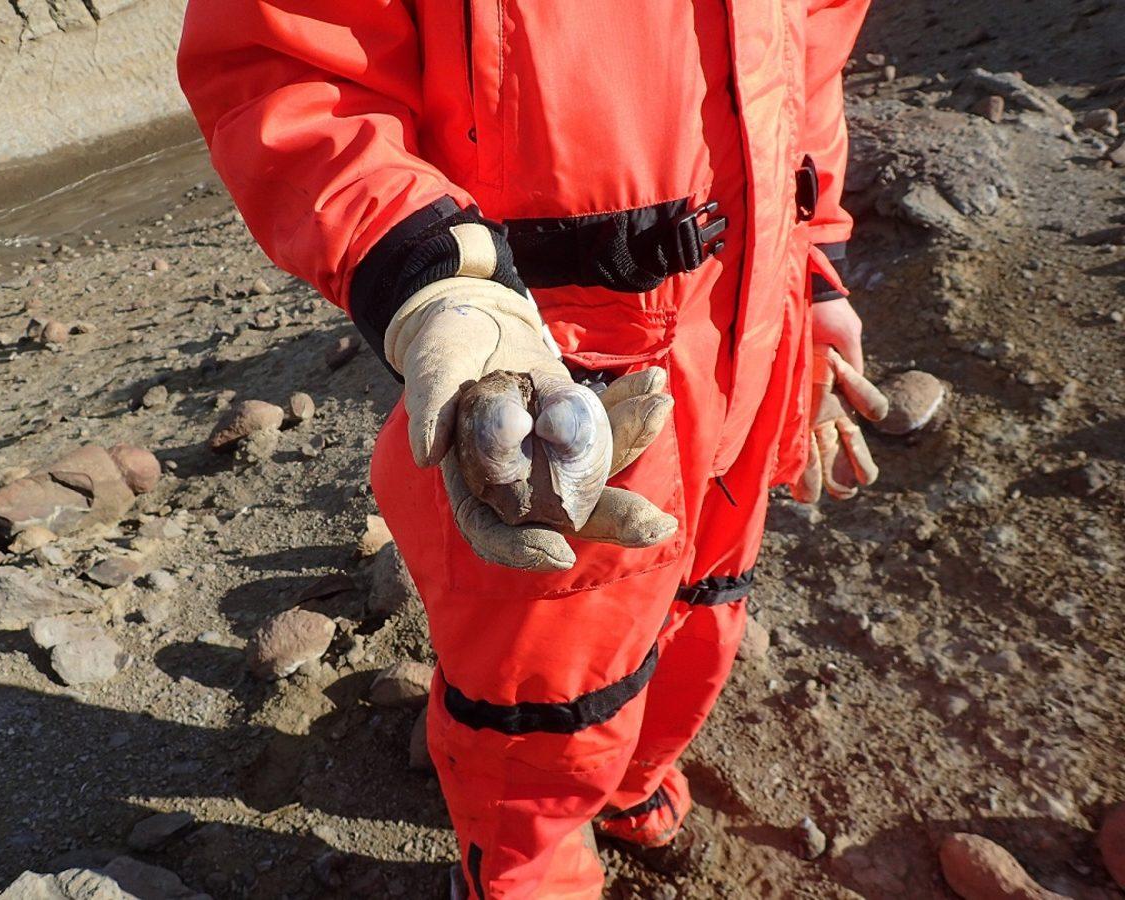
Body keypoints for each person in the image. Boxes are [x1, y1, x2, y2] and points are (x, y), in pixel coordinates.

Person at [177, 1, 886, 896]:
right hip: (537, 367)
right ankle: (529, 870)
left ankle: (633, 781)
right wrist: (433, 280)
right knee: (541, 692)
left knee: (706, 602)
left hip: (753, 339)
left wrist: (814, 258)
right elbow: (288, 65)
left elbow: (809, 52)